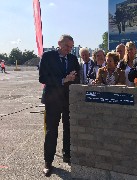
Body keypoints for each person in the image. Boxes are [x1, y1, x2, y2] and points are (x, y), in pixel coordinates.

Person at [39, 34, 80, 177]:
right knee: (52, 131)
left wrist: (74, 77)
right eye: (66, 46)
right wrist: (63, 80)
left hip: (68, 99)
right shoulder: (48, 56)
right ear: (59, 43)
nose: (69, 49)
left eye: (71, 47)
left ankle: (67, 154)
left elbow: (78, 77)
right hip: (52, 99)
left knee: (68, 128)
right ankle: (48, 161)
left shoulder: (73, 59)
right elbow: (42, 77)